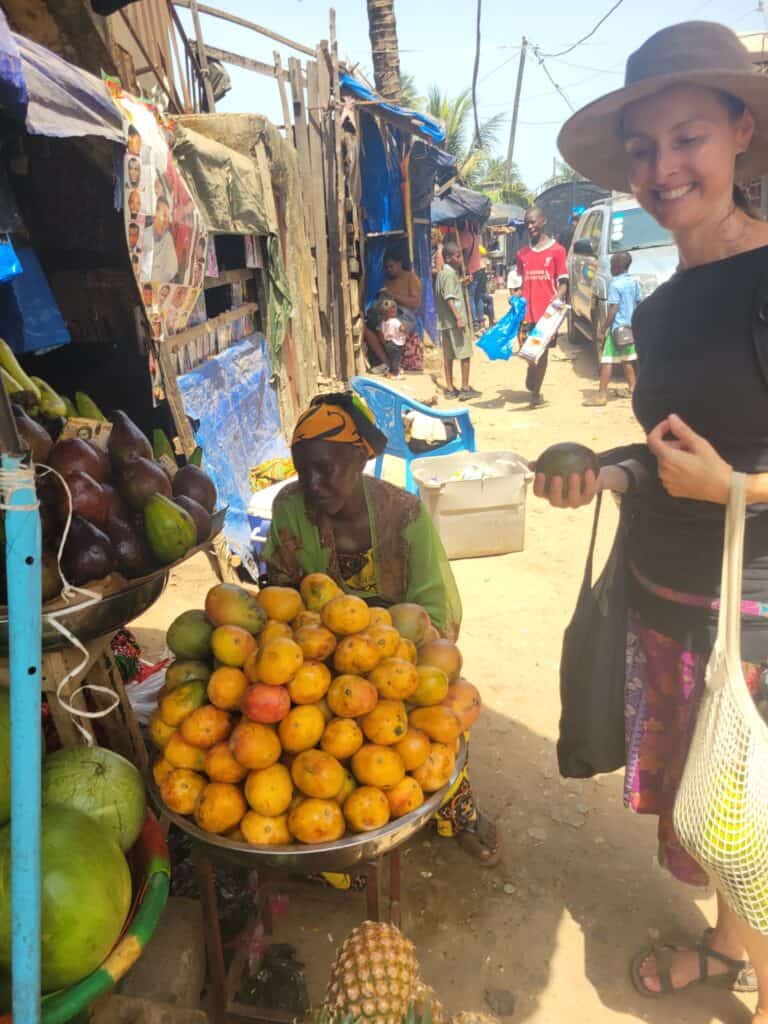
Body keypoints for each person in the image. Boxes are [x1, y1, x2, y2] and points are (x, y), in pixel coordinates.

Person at [544, 20, 768, 1017]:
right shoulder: (661, 309)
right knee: (719, 812)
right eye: (643, 148)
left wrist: (741, 492)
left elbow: (724, 473)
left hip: (756, 619)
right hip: (671, 603)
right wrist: (608, 473)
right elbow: (667, 443)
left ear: (742, 133)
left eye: (689, 138)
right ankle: (730, 950)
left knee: (763, 831)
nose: (663, 168)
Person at [263, 392, 499, 864]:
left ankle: (457, 805)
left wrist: (399, 653)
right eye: (303, 469)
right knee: (305, 745)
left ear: (360, 461)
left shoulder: (403, 513)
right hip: (318, 660)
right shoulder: (290, 508)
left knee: (440, 714)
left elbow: (436, 606)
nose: (313, 482)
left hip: (399, 655)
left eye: (326, 468)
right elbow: (279, 595)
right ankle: (331, 839)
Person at [516, 207, 568, 408]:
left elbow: (563, 283)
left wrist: (556, 299)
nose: (530, 226)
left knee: (542, 352)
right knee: (528, 352)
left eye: (533, 222)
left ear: (543, 221)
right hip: (527, 314)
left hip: (547, 315)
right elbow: (522, 283)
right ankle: (532, 370)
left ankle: (536, 392)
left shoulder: (558, 251)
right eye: (527, 223)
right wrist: (516, 298)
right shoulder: (522, 254)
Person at [584, 251, 639, 407]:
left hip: (617, 329)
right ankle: (633, 388)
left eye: (612, 265)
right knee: (626, 359)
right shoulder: (634, 282)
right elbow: (638, 302)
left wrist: (603, 329)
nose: (610, 269)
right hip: (629, 328)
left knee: (607, 361)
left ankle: (601, 395)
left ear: (618, 266)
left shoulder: (615, 284)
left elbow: (613, 309)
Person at [434, 241, 479, 401]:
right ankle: (465, 388)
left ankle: (450, 388)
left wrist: (461, 283)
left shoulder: (444, 274)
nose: (460, 259)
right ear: (448, 258)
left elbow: (448, 290)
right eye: (457, 256)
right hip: (454, 322)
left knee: (449, 356)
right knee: (464, 354)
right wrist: (459, 318)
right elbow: (449, 298)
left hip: (445, 322)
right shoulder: (448, 274)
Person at [151, 196, 178, 284]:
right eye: (164, 216)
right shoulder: (143, 236)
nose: (167, 222)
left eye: (168, 217)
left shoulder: (167, 237)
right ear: (153, 216)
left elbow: (171, 270)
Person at [378, 297, 407, 378]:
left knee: (391, 358)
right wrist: (405, 332)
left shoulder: (384, 322)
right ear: (393, 311)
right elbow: (402, 329)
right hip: (396, 343)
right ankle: (394, 374)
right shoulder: (395, 321)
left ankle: (391, 371)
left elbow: (382, 331)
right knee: (396, 359)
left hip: (388, 343)